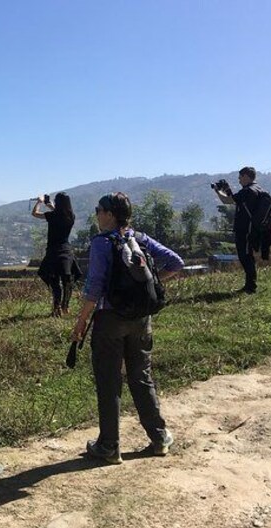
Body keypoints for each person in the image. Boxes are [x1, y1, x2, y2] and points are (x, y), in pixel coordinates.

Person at [70, 192, 184, 464]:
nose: (97, 214)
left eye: (99, 210)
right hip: (141, 319)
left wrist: (81, 322)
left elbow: (94, 287)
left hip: (109, 320)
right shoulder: (140, 239)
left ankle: (109, 446)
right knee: (140, 375)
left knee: (109, 381)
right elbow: (176, 262)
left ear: (109, 214)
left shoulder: (101, 243)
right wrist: (152, 283)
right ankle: (158, 437)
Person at [211, 166, 263, 294]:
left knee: (245, 257)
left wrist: (217, 191)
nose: (239, 180)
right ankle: (249, 285)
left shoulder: (248, 191)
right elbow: (237, 201)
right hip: (251, 229)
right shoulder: (255, 189)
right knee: (247, 256)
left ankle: (251, 287)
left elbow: (226, 201)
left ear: (246, 176)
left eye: (240, 177)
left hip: (246, 230)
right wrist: (228, 190)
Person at [32, 192, 79, 317]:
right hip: (66, 252)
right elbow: (61, 213)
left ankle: (56, 307)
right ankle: (65, 307)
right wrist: (51, 206)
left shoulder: (52, 216)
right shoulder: (71, 217)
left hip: (53, 252)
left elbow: (35, 213)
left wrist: (39, 202)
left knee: (54, 281)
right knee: (67, 282)